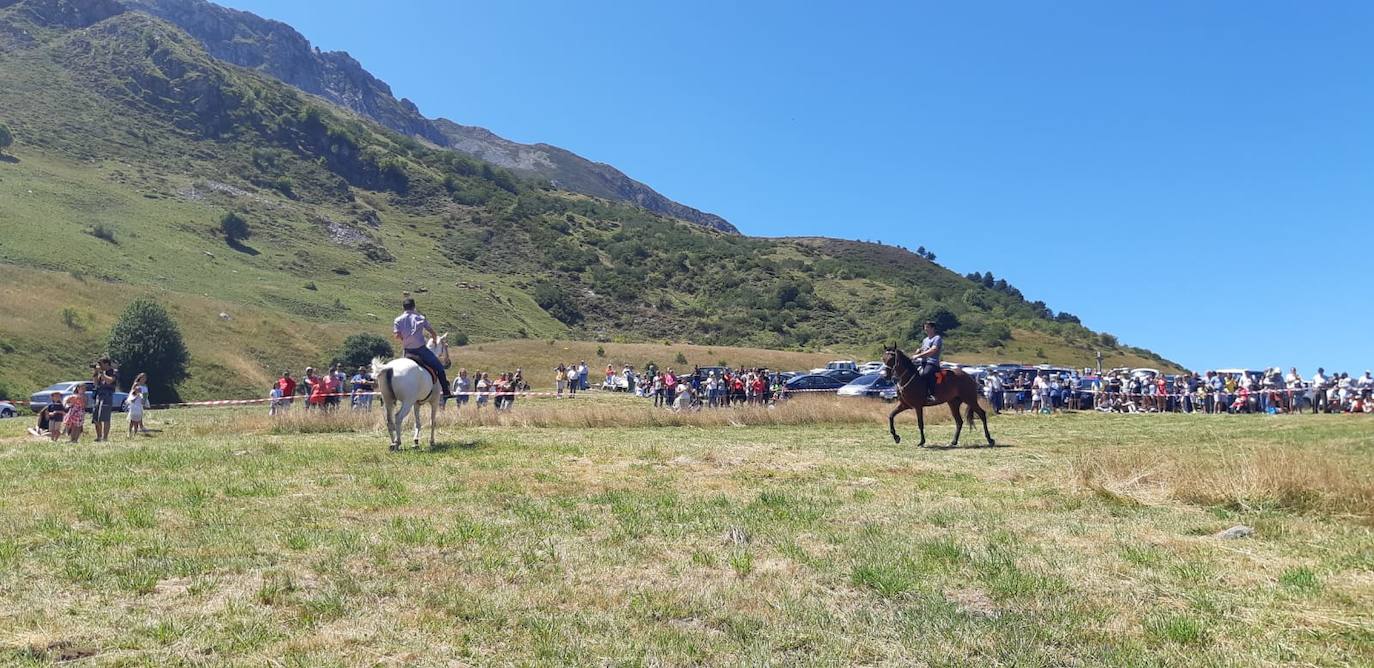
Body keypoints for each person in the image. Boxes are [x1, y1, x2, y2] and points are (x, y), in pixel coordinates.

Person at [393, 297, 453, 399]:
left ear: (403, 307)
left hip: (407, 351)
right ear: (414, 306)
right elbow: (433, 333)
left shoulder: (398, 320)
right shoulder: (420, 318)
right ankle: (446, 392)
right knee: (439, 368)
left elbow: (397, 335)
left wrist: (405, 339)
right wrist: (434, 340)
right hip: (421, 350)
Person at [911, 321, 943, 402]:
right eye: (925, 327)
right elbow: (923, 349)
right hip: (924, 362)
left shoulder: (937, 338)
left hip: (932, 362)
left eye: (927, 327)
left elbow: (933, 350)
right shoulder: (925, 340)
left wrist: (918, 356)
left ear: (933, 328)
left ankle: (931, 394)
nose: (925, 329)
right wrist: (919, 350)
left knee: (926, 374)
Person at [90, 358, 118, 442]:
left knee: (105, 417)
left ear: (107, 364)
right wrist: (95, 373)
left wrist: (102, 373)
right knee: (96, 417)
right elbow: (95, 384)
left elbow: (109, 381)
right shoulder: (100, 373)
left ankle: (105, 437)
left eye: (101, 364)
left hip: (107, 395)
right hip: (99, 395)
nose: (100, 366)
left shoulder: (113, 372)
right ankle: (99, 436)